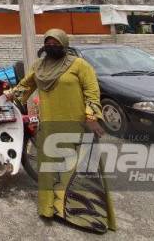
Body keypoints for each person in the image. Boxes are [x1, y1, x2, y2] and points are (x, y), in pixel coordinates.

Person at [8, 28, 116, 233]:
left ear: (64, 44)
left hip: (78, 126)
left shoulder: (80, 65)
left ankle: (85, 217)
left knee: (76, 171)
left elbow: (92, 93)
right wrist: (5, 97)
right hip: (49, 127)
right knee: (50, 172)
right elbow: (25, 86)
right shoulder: (39, 66)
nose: (51, 45)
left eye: (55, 42)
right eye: (47, 42)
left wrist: (92, 117)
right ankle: (51, 210)